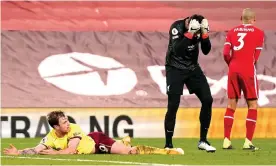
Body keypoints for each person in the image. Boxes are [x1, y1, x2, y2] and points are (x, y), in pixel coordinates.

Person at [3, 111, 184, 155]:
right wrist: (19, 152)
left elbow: (71, 151)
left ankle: (168, 151)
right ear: (55, 127)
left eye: (67, 120)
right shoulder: (50, 137)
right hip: (93, 147)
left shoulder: (73, 129)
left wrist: (55, 152)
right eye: (63, 122)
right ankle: (123, 141)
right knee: (124, 147)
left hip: (97, 142)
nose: (67, 123)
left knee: (131, 152)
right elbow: (37, 149)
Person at [164, 14, 216, 152]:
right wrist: (190, 32)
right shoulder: (177, 27)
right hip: (174, 68)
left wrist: (205, 34)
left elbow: (206, 50)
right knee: (173, 105)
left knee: (207, 100)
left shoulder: (199, 30)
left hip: (192, 68)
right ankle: (168, 144)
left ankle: (203, 141)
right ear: (189, 23)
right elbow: (178, 50)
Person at [222, 8, 264, 150]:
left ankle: (226, 140)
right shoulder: (259, 33)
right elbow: (256, 56)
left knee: (231, 104)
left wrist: (232, 64)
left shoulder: (232, 32)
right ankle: (247, 142)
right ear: (254, 19)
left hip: (233, 69)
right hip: (247, 69)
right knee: (252, 105)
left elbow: (225, 53)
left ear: (241, 18)